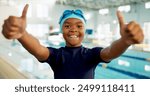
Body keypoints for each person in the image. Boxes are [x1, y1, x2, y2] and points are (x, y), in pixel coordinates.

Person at [2, 4, 144, 79]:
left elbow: (110, 52)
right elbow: (39, 49)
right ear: (61, 30)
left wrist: (125, 41)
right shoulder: (57, 55)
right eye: (67, 26)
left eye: (79, 26)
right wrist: (22, 35)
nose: (73, 29)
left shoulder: (91, 54)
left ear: (84, 29)